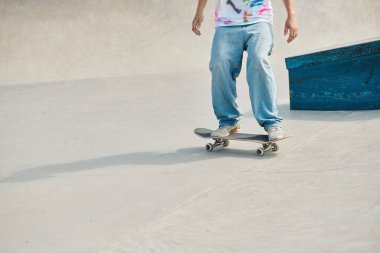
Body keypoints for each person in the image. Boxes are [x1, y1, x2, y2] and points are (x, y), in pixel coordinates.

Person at [192, 0, 298, 141]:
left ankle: (272, 122)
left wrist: (291, 15)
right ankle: (228, 121)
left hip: (259, 20)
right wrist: (200, 10)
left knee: (258, 60)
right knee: (219, 64)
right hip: (226, 23)